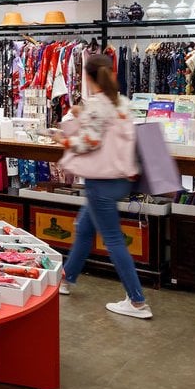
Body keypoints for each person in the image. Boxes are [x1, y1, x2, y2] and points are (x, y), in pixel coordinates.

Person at [53, 54, 150, 319]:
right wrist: (81, 115)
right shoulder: (122, 103)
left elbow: (90, 142)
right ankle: (67, 278)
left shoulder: (96, 104)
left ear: (87, 76)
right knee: (84, 227)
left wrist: (62, 139)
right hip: (120, 178)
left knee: (113, 239)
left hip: (100, 180)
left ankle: (137, 300)